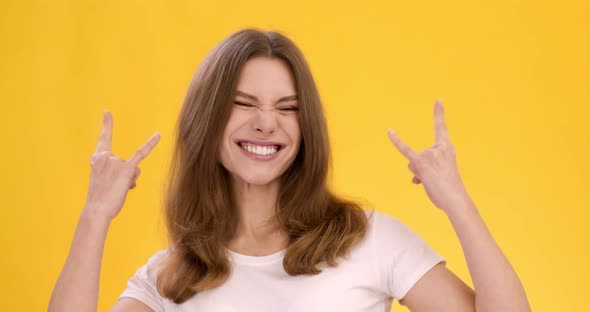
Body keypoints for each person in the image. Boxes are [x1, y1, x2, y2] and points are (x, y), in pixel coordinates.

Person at [49, 28, 531, 312]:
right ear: (207, 119)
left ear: (307, 129)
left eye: (287, 107)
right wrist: (95, 216)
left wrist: (458, 204)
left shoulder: (369, 240)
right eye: (242, 103)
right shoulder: (174, 275)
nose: (266, 123)